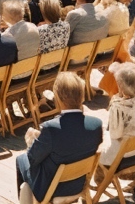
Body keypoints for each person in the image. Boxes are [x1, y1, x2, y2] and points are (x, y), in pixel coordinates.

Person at [16, 72, 103, 204]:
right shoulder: (96, 125)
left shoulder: (51, 129)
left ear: (58, 98)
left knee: (21, 159)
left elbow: (32, 159)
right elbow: (73, 142)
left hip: (53, 189)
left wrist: (31, 142)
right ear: (82, 96)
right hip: (79, 184)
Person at [95, 64, 135, 165]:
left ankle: (101, 176)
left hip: (123, 156)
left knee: (97, 147)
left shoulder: (118, 107)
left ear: (121, 87)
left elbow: (115, 134)